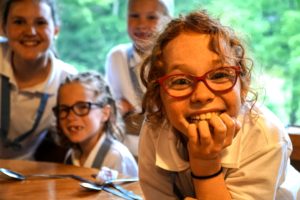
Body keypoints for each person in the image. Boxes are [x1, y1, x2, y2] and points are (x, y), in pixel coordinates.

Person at [138, 10, 300, 199]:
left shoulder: (265, 135)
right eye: (181, 81)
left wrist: (205, 163)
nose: (202, 95)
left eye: (220, 75)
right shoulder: (155, 128)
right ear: (159, 97)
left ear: (244, 87)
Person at [0, 0, 77, 160]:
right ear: (4, 28)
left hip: (26, 173)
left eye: (41, 22)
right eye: (19, 22)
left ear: (56, 29)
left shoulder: (67, 80)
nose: (30, 31)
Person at [104, 0, 174, 158]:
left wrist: (133, 111)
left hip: (167, 152)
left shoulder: (173, 60)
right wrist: (119, 107)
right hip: (127, 152)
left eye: (151, 17)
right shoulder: (117, 57)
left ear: (168, 20)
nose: (141, 24)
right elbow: (110, 106)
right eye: (134, 16)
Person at [53, 72, 138, 177]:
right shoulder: (72, 155)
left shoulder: (115, 157)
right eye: (64, 109)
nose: (71, 116)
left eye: (82, 107)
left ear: (105, 113)